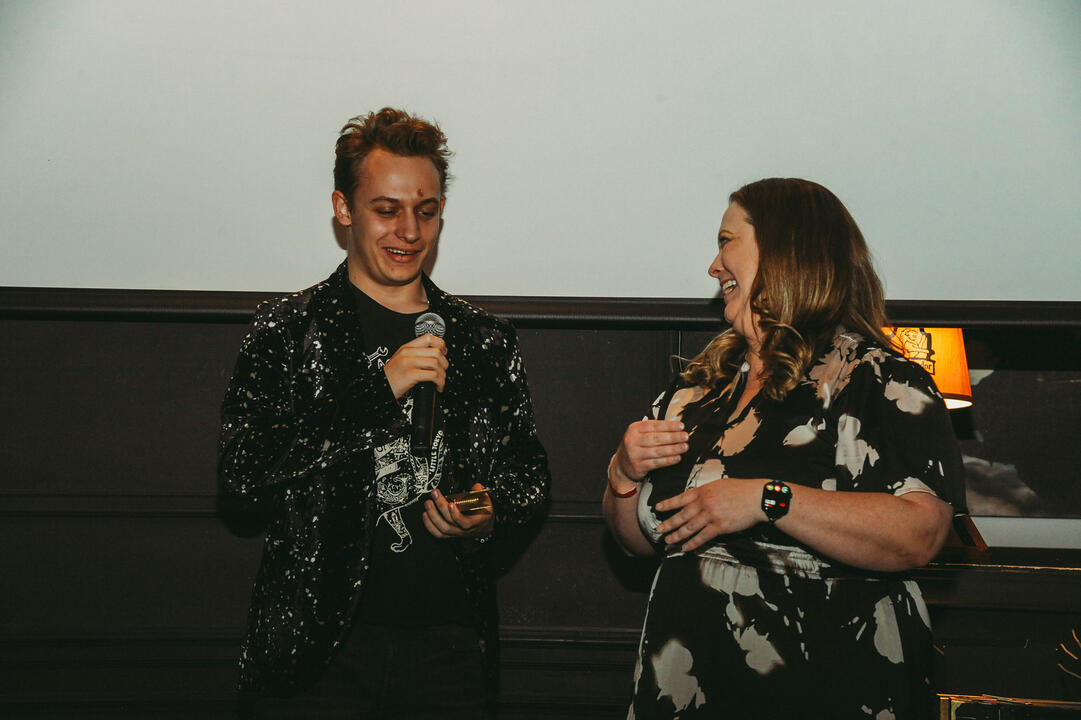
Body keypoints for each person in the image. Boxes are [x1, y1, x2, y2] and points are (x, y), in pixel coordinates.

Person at [218, 107, 550, 718]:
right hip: (317, 655)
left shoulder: (482, 339)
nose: (408, 230)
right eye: (386, 209)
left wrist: (477, 513)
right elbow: (242, 473)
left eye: (425, 210)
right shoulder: (288, 331)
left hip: (449, 650)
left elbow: (526, 479)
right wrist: (379, 390)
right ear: (344, 209)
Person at [603, 178, 965, 719]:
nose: (713, 266)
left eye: (727, 242)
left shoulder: (877, 380)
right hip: (688, 683)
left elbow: (921, 534)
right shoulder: (699, 390)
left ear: (784, 251)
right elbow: (638, 543)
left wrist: (769, 499)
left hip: (824, 686)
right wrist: (622, 475)